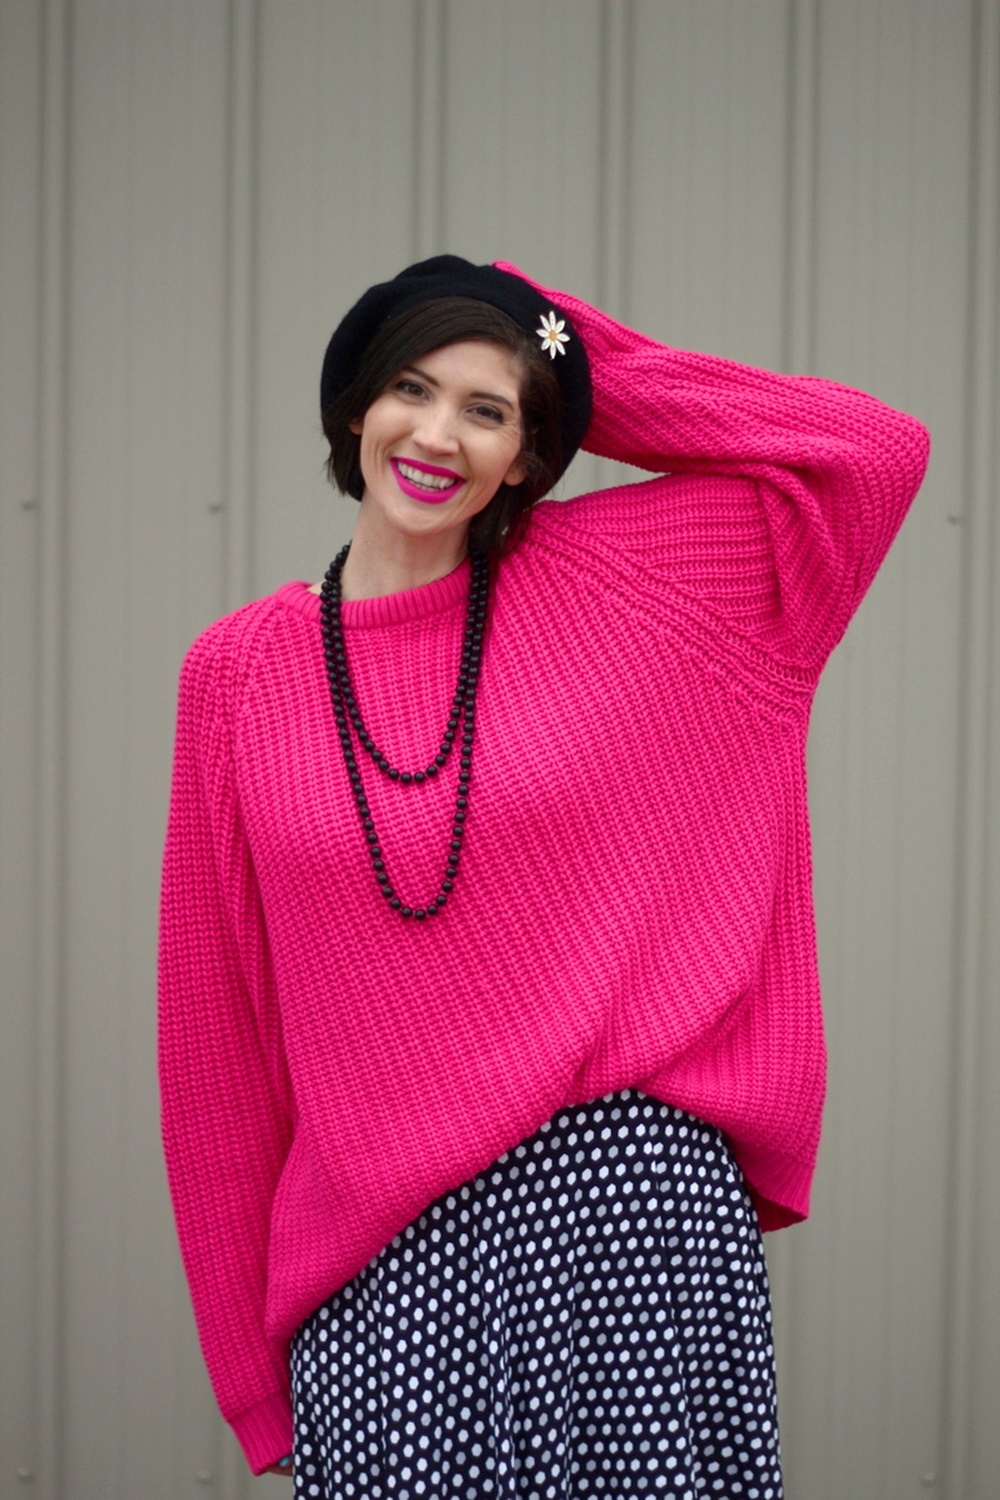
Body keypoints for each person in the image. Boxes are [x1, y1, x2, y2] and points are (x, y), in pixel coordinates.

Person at [158, 255, 930, 1495]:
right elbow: (218, 1029)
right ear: (355, 407)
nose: (436, 436)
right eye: (411, 389)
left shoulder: (638, 584)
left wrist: (562, 348)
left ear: (526, 455)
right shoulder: (239, 674)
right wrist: (250, 1368)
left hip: (634, 1211)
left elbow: (870, 453)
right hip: (386, 1251)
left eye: (487, 411)